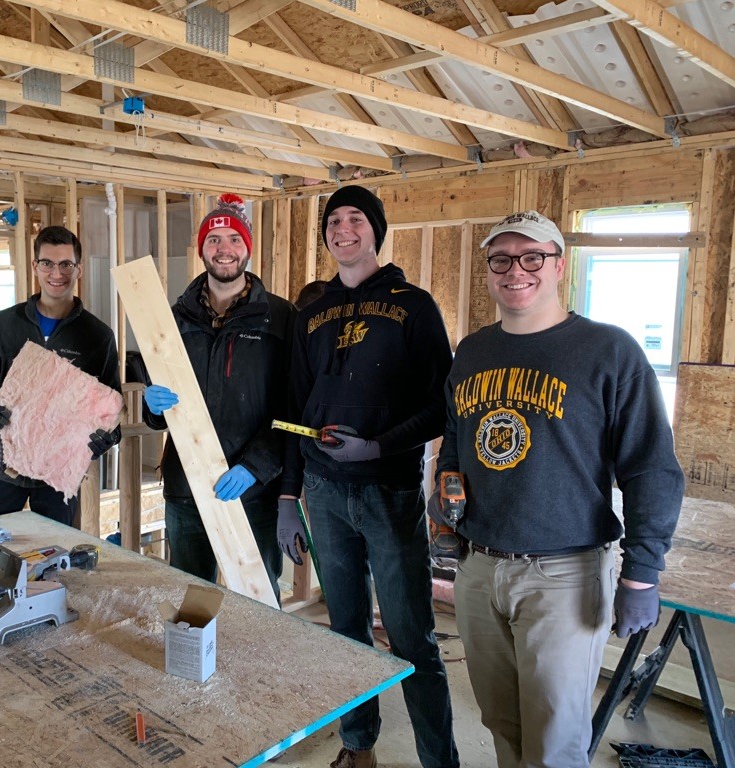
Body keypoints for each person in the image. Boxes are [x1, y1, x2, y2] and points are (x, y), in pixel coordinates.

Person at [431, 210, 684, 767]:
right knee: (502, 724)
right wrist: (444, 504)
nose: (515, 270)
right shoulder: (472, 351)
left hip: (563, 576)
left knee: (554, 741)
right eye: (501, 259)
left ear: (558, 265)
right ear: (489, 269)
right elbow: (454, 444)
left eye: (532, 257)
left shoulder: (608, 351)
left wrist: (643, 571)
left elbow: (651, 468)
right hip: (479, 571)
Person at [278, 185, 459, 768]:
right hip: (325, 494)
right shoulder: (310, 314)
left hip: (390, 493)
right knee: (345, 631)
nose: (343, 229)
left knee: (412, 640)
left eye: (356, 219)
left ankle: (440, 761)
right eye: (334, 220)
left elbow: (442, 405)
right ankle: (359, 751)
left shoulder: (413, 305)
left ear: (375, 231)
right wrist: (289, 493)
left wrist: (378, 446)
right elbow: (294, 411)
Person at [142, 193, 295, 602]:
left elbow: (292, 407)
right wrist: (151, 406)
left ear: (246, 248)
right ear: (202, 250)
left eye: (233, 239)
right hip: (186, 486)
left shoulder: (280, 318)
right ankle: (195, 665)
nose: (224, 249)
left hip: (254, 490)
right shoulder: (173, 318)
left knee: (259, 600)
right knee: (192, 597)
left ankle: (262, 668)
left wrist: (256, 466)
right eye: (214, 240)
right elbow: (163, 411)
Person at [0, 225, 121, 526]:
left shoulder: (97, 336)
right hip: (2, 464)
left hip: (57, 472)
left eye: (66, 264)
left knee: (53, 556)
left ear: (78, 269)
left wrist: (107, 438)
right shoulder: (4, 325)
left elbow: (112, 409)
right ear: (35, 266)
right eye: (48, 263)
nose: (57, 273)